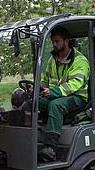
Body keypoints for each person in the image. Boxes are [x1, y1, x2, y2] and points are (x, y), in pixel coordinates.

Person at [38, 27, 90, 162]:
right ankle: (32, 138)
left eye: (57, 41)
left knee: (56, 105)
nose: (54, 44)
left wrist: (55, 92)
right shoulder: (53, 60)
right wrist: (37, 90)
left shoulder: (80, 61)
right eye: (53, 41)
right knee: (35, 103)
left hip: (78, 98)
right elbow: (45, 80)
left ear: (66, 41)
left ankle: (50, 148)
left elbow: (75, 83)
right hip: (59, 95)